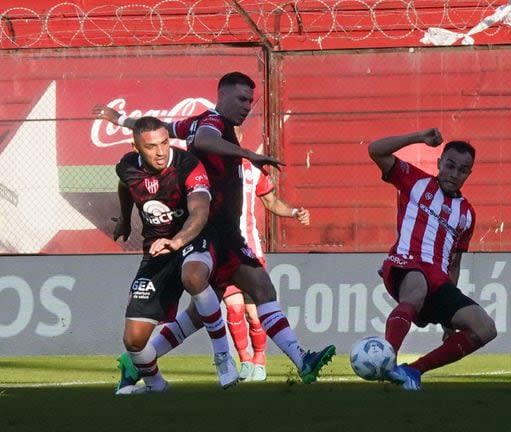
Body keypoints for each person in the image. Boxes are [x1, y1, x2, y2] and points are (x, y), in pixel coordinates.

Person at [94, 72, 335, 391]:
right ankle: (279, 360)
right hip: (212, 231)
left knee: (222, 303)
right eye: (241, 99)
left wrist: (121, 119)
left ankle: (137, 361)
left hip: (224, 231)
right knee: (250, 291)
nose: (247, 106)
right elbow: (206, 140)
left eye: (251, 100)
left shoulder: (193, 123)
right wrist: (248, 155)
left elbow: (155, 130)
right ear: (221, 96)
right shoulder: (213, 123)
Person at [112, 116, 238, 394]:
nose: (160, 151)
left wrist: (177, 240)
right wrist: (124, 218)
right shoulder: (127, 167)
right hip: (157, 248)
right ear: (136, 148)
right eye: (151, 146)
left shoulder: (188, 165)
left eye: (165, 142)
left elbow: (200, 212)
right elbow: (126, 186)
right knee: (133, 341)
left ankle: (223, 356)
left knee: (193, 276)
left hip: (195, 236)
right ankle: (157, 386)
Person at [367, 128, 497, 391]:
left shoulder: (467, 214)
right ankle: (386, 359)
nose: (454, 173)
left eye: (462, 170)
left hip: (438, 279)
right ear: (439, 163)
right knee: (417, 288)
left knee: (485, 328)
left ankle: (412, 371)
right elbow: (375, 150)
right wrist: (417, 138)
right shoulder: (415, 181)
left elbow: (454, 264)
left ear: (468, 174)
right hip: (405, 263)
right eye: (450, 165)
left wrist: (450, 322)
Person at [224, 157, 311, 382]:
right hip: (223, 250)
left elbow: (271, 202)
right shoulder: (210, 166)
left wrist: (294, 212)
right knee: (234, 308)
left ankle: (259, 360)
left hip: (250, 250)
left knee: (254, 314)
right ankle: (244, 360)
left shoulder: (252, 170)